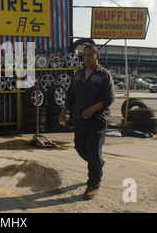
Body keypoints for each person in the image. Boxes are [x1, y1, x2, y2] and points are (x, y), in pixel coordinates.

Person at [58, 44, 115, 200]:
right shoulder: (78, 74)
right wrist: (64, 111)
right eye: (85, 55)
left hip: (97, 120)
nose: (87, 58)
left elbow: (108, 98)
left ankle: (94, 183)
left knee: (93, 149)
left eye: (90, 55)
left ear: (97, 56)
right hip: (80, 118)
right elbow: (71, 95)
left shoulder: (104, 75)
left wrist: (92, 110)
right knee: (80, 147)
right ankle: (98, 162)